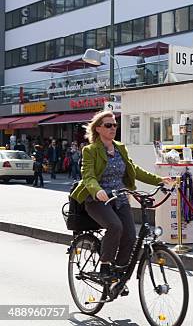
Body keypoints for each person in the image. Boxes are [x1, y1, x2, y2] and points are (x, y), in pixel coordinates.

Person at [70, 110, 175, 282]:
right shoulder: (90, 150)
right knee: (115, 226)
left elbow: (134, 170)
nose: (113, 128)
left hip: (120, 197)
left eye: (115, 125)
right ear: (98, 129)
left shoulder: (120, 148)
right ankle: (105, 265)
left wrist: (159, 180)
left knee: (131, 236)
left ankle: (118, 272)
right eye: (108, 125)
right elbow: (88, 176)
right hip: (98, 199)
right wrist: (97, 190)